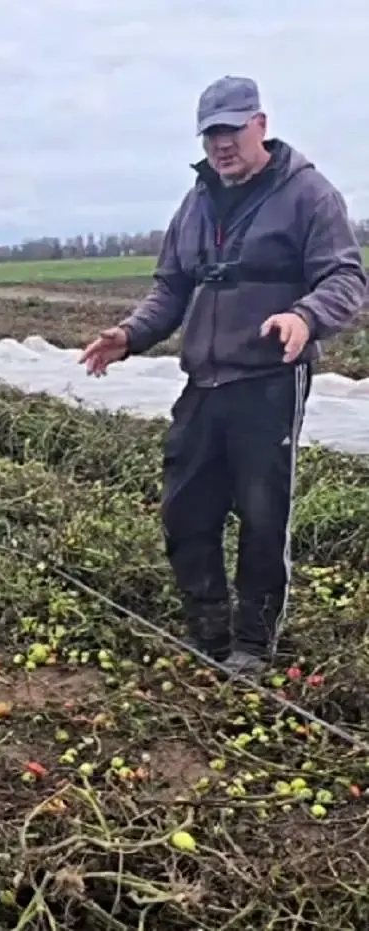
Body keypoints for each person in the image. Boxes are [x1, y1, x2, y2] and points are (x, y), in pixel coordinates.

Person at [79, 75, 367, 676]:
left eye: (232, 130)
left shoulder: (308, 194)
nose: (222, 144)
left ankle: (252, 646)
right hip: (203, 382)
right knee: (186, 512)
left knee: (263, 517)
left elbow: (346, 279)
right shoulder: (197, 201)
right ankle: (208, 631)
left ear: (260, 124)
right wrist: (130, 335)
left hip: (267, 383)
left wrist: (303, 316)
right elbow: (172, 287)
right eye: (211, 133)